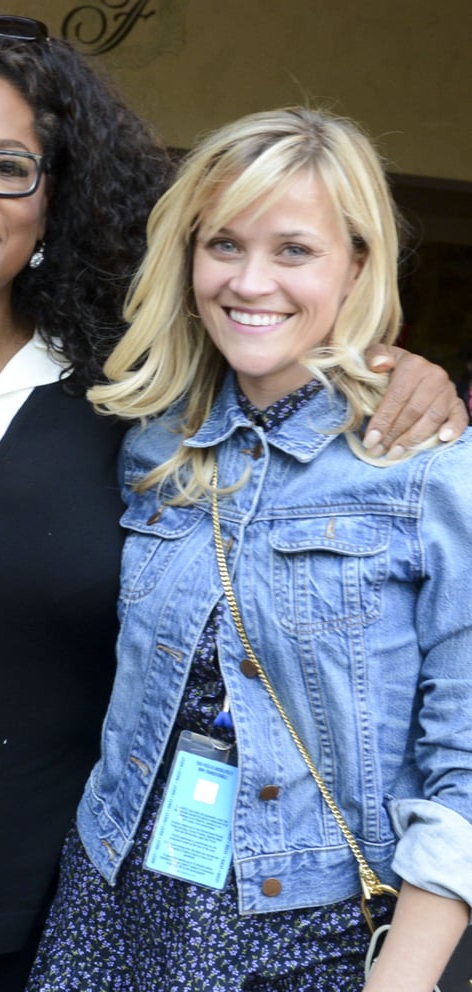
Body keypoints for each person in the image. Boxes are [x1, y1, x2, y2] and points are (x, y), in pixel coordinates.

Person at [0, 16, 464, 992]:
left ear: (57, 194)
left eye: (9, 167)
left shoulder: (120, 403)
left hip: (115, 923)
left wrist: (398, 377)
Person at [27, 108, 472, 992]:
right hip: (113, 905)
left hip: (313, 936)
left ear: (357, 262)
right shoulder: (151, 446)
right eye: (223, 245)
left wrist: (404, 981)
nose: (250, 280)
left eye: (294, 250)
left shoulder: (430, 474)